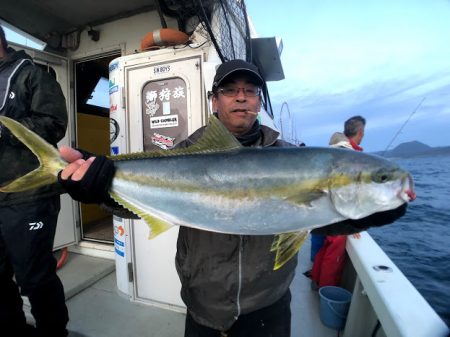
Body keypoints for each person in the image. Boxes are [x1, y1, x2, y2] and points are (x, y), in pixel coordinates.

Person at [57, 60, 406, 337]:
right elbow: (144, 201)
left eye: (250, 91)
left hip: (267, 307)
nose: (241, 97)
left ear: (259, 102)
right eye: (229, 90)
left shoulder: (290, 155)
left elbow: (326, 215)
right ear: (215, 100)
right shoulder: (187, 153)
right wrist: (100, 187)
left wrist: (371, 210)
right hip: (202, 306)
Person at [0, 26, 69, 337]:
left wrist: (3, 129)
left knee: (34, 276)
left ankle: (54, 332)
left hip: (29, 195)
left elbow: (54, 123)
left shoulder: (32, 73)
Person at [310, 116, 366, 289]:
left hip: (322, 212)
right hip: (335, 214)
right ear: (361, 133)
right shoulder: (348, 155)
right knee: (334, 250)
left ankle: (316, 280)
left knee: (321, 249)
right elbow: (345, 191)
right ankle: (325, 288)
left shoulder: (336, 149)